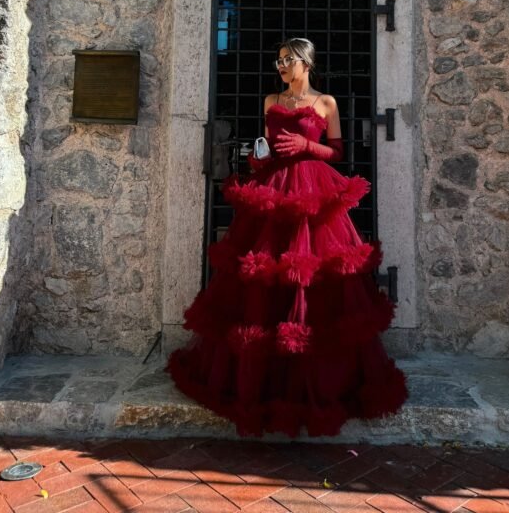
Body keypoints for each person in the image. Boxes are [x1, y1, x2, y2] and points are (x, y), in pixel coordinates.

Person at [166, 37, 408, 437]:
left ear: (306, 64)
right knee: (266, 280)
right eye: (277, 60)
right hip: (274, 190)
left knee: (312, 278)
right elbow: (266, 148)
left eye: (288, 60)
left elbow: (337, 151)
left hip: (314, 191)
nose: (281, 66)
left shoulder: (325, 103)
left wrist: (306, 144)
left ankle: (320, 381)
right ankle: (263, 383)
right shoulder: (269, 101)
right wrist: (258, 159)